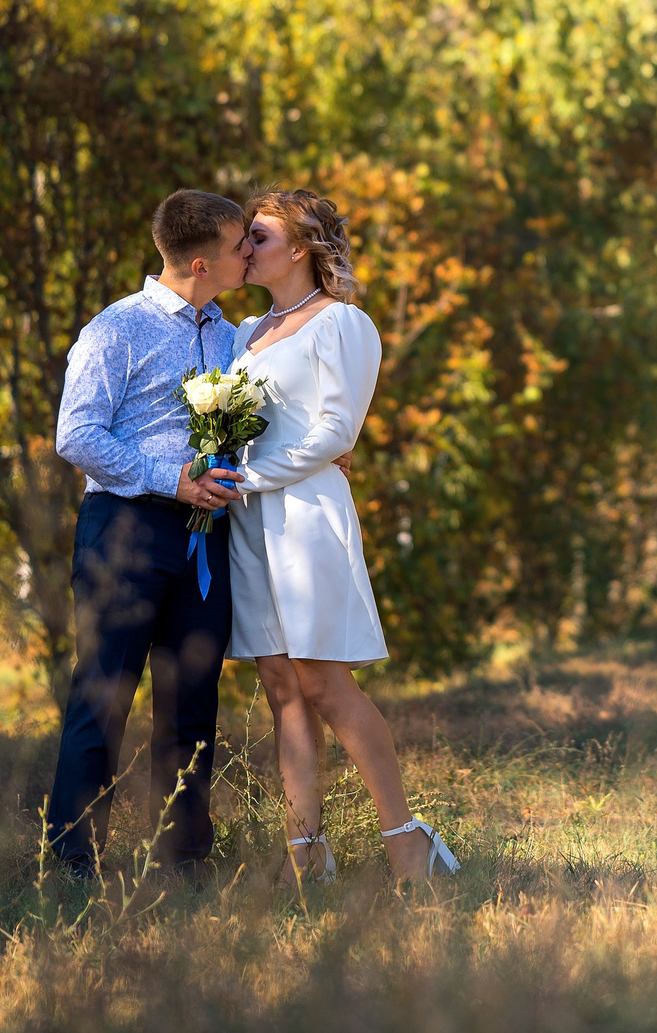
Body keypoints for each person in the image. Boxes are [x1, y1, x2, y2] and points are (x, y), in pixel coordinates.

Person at [227, 187, 458, 884]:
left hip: (304, 514)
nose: (245, 247)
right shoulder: (242, 332)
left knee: (324, 680)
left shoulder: (343, 324)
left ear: (299, 248)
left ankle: (406, 841)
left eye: (258, 236)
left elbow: (336, 432)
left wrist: (253, 476)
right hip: (247, 520)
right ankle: (307, 856)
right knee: (280, 684)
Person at [43, 189, 251, 881]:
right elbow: (76, 434)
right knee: (104, 692)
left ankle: (185, 859)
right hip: (126, 530)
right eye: (238, 243)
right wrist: (172, 479)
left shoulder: (229, 334)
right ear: (201, 261)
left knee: (193, 699)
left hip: (203, 535)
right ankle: (73, 859)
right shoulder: (116, 330)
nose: (248, 252)